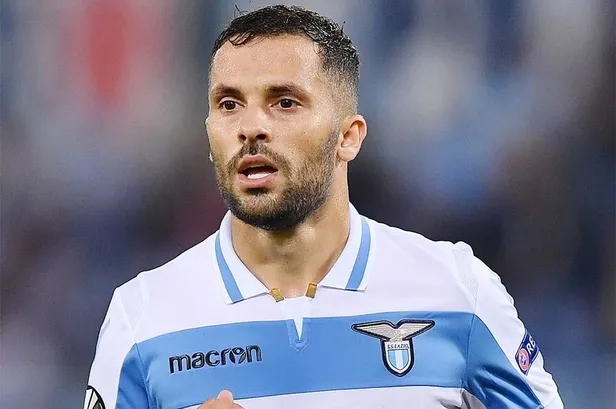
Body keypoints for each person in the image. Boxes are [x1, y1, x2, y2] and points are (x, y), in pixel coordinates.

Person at [84, 5, 564, 409]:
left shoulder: (458, 293)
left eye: (284, 102)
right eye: (229, 104)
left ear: (348, 137)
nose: (250, 127)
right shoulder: (142, 318)